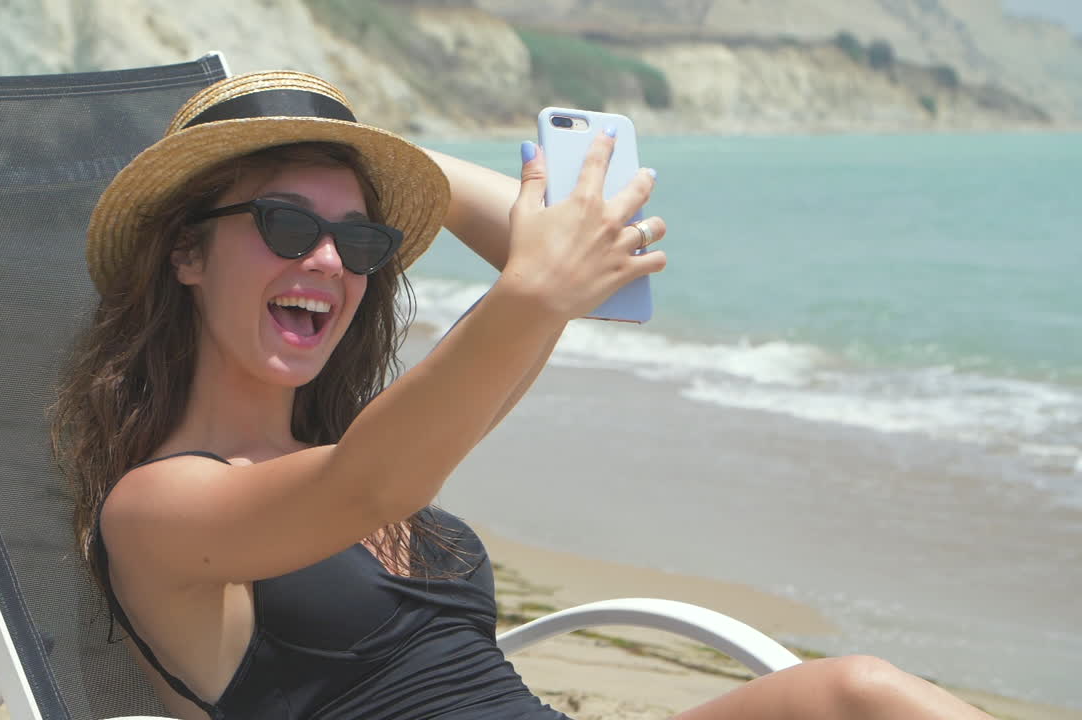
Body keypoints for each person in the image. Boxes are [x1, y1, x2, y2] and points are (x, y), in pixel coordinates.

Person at [51, 70, 993, 720]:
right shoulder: (158, 505)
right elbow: (366, 490)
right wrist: (529, 287)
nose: (330, 262)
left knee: (859, 694)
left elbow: (592, 278)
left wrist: (374, 151)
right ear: (184, 252)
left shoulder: (371, 445)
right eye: (286, 224)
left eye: (364, 242)